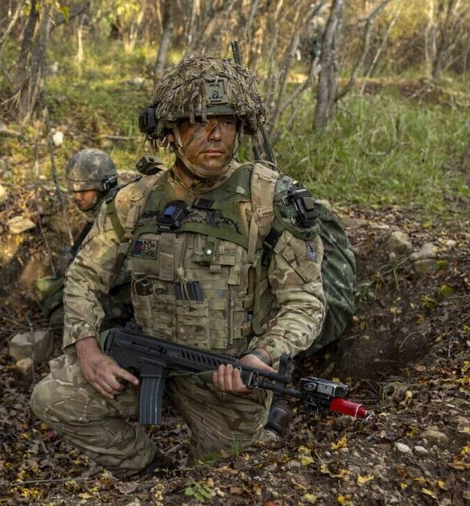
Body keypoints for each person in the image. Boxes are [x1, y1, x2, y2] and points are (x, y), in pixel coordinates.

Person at [30, 56, 326, 478]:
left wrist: (263, 355)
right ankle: (150, 471)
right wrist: (88, 349)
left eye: (227, 122)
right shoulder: (134, 200)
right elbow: (84, 276)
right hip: (145, 358)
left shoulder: (269, 202)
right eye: (200, 121)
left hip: (226, 377)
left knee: (218, 479)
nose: (215, 133)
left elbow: (306, 303)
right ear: (171, 131)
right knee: (53, 397)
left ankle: (252, 438)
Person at [37, 149, 133, 331]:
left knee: (61, 319)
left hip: (127, 300)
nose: (77, 197)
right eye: (74, 191)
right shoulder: (99, 212)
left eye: (84, 191)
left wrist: (82, 268)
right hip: (104, 288)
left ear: (103, 186)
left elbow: (127, 270)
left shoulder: (121, 214)